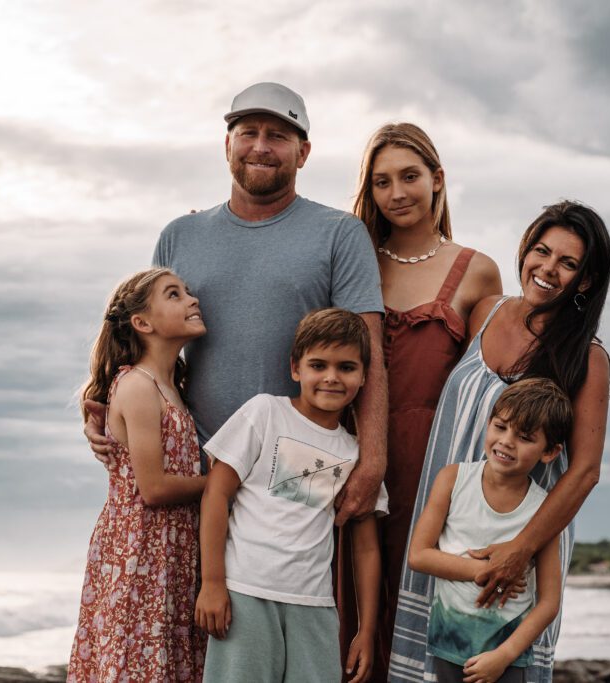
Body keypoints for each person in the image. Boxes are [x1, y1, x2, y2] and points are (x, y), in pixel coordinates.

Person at [85, 82, 387, 526]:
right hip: (198, 465)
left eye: (278, 136)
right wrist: (102, 407)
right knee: (201, 593)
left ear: (302, 153)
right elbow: (148, 349)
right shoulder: (179, 236)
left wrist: (372, 462)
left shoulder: (340, 233)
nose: (260, 147)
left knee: (295, 590)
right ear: (228, 144)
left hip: (301, 466)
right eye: (248, 133)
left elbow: (370, 354)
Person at [390, 200, 610, 683]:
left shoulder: (588, 359)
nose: (548, 269)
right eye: (541, 251)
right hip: (449, 526)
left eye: (568, 263)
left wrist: (521, 548)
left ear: (586, 281)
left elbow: (585, 471)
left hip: (521, 537)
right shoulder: (487, 313)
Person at [339, 122, 502, 680]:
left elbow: (494, 383)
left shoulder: (477, 269)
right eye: (381, 182)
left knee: (419, 609)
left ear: (437, 179)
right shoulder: (354, 258)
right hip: (352, 453)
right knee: (348, 607)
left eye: (409, 176)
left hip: (433, 467)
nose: (397, 193)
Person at [195, 309, 387, 683]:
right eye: (319, 365)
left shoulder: (356, 455)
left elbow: (365, 547)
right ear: (296, 368)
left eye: (346, 367)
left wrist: (365, 630)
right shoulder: (265, 412)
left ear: (364, 376)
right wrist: (212, 582)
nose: (332, 377)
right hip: (245, 595)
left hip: (314, 606)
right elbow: (216, 495)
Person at [68, 268, 208, 682]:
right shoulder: (139, 386)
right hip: (139, 552)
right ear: (143, 324)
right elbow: (154, 487)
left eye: (187, 290)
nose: (192, 300)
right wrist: (224, 483)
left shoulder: (171, 386)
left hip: (167, 548)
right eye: (174, 295)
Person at [408, 379, 572, 683]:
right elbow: (418, 555)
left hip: (506, 657)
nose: (507, 441)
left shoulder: (544, 510)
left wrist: (505, 656)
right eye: (500, 426)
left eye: (524, 437)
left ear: (549, 451)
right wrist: (483, 570)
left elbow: (549, 602)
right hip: (449, 642)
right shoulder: (452, 480)